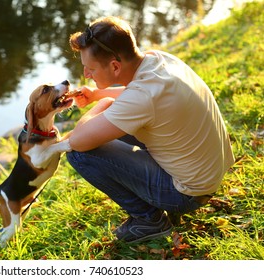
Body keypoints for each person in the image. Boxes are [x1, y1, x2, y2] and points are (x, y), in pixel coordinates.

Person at [64, 16, 235, 243]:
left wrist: (102, 105)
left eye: (90, 68)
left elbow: (78, 141)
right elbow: (138, 95)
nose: (87, 74)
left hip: (186, 193)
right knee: (110, 123)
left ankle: (149, 220)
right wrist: (97, 94)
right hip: (208, 173)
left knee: (78, 153)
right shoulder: (159, 60)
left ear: (115, 66)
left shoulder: (142, 97)